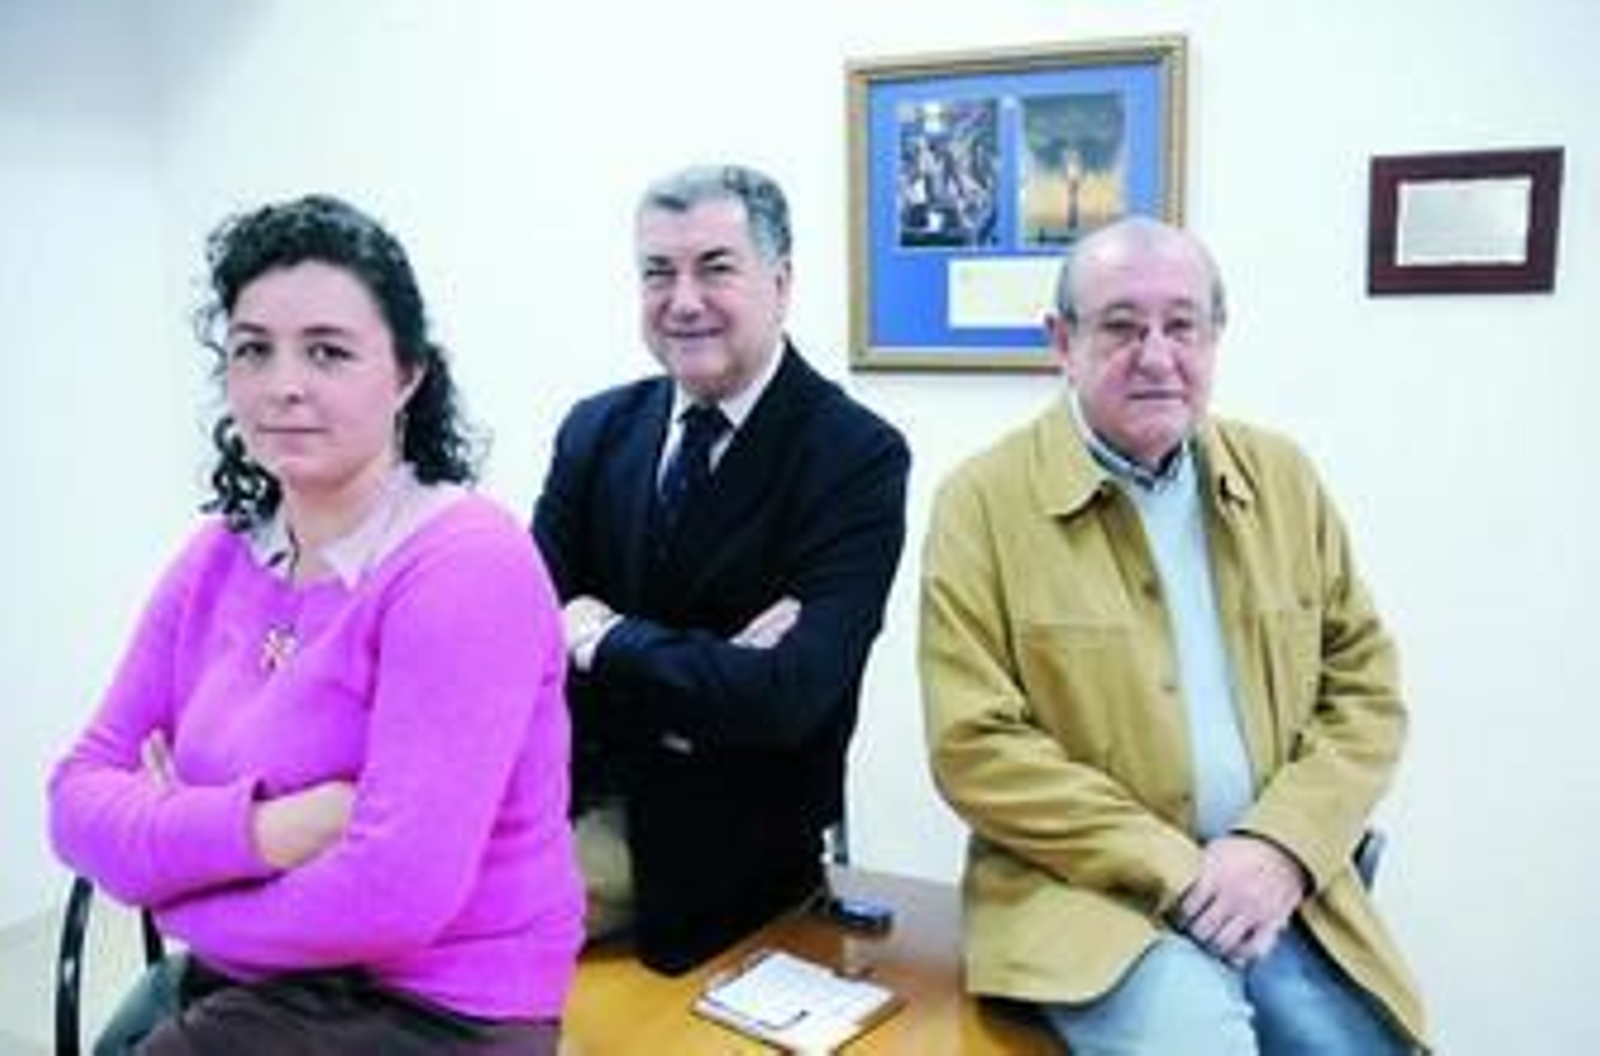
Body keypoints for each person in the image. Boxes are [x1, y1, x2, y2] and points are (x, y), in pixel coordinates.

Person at [48, 195, 583, 1054]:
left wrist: (167, 879)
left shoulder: (464, 564)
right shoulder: (218, 558)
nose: (283, 384)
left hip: (437, 1004)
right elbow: (75, 797)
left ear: (408, 374)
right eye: (253, 350)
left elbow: (396, 892)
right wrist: (273, 830)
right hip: (264, 974)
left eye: (327, 352)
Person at [919, 216, 1428, 1054]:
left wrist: (1279, 846)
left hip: (1277, 884)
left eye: (1182, 325)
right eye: (1121, 326)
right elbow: (976, 747)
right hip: (1085, 897)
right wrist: (1182, 869)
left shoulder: (1285, 482)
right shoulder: (982, 503)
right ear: (1062, 341)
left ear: (1215, 336)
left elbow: (1365, 695)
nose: (1156, 356)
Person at [532, 164, 909, 974]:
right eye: (657, 273)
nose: (684, 299)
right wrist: (707, 670)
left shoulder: (854, 456)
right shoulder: (597, 430)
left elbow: (786, 698)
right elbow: (523, 631)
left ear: (780, 281)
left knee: (434, 926)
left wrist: (601, 638)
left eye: (716, 267)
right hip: (552, 794)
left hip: (721, 846)